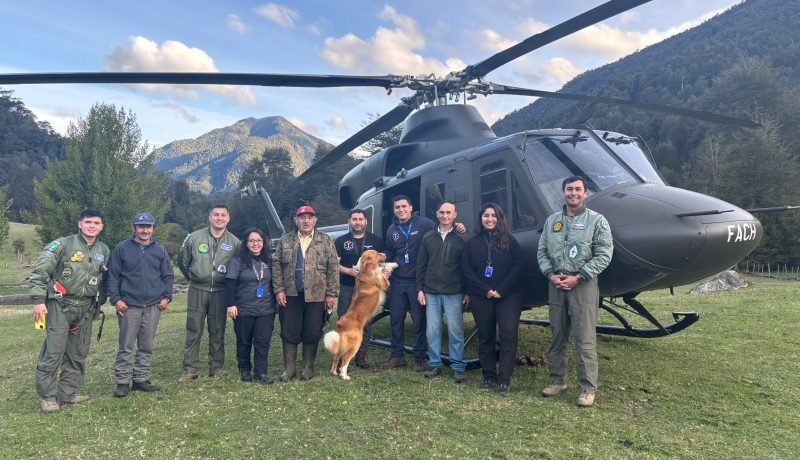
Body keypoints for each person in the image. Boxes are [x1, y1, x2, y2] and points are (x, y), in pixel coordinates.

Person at [537, 175, 613, 407]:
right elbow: (542, 252)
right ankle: (557, 380)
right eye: (569, 189)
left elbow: (604, 254)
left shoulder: (596, 221)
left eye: (578, 190)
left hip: (583, 284)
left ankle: (588, 388)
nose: (573, 193)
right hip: (556, 284)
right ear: (563, 193)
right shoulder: (552, 221)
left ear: (585, 193)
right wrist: (550, 274)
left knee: (585, 339)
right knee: (557, 335)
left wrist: (579, 277)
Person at [30, 209, 110, 413]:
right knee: (54, 352)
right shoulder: (63, 244)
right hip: (59, 304)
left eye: (97, 223)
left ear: (101, 226)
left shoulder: (104, 250)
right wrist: (39, 300)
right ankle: (48, 397)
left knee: (78, 353)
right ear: (79, 224)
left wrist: (97, 305)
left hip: (86, 307)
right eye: (88, 222)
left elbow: (104, 281)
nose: (92, 226)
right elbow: (40, 271)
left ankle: (68, 393)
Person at [462, 203, 524, 397]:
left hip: (508, 296)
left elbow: (519, 265)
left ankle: (504, 379)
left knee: (508, 335)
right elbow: (467, 270)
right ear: (481, 219)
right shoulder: (472, 244)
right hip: (482, 297)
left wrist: (501, 290)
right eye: (486, 215)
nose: (489, 219)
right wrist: (486, 290)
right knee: (485, 336)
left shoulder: (510, 241)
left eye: (493, 216)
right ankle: (488, 376)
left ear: (499, 219)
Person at [109, 212, 174, 398]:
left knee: (147, 345)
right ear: (134, 228)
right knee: (126, 346)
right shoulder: (122, 249)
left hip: (153, 305)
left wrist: (167, 297)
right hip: (129, 306)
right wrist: (116, 299)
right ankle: (122, 382)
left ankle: (140, 379)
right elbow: (113, 276)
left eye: (148, 226)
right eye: (141, 226)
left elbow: (168, 276)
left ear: (153, 229)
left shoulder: (160, 250)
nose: (144, 230)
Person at [272, 205, 339, 382]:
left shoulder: (325, 240)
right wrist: (279, 289)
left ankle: (308, 368)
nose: (306, 221)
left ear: (315, 220)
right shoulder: (285, 240)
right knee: (288, 331)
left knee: (312, 330)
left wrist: (331, 294)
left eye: (309, 217)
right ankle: (290, 369)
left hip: (317, 295)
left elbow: (333, 268)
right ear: (296, 220)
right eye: (302, 218)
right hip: (290, 294)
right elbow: (276, 266)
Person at [176, 204, 240, 381]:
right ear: (209, 217)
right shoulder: (194, 238)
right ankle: (190, 369)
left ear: (228, 218)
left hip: (220, 291)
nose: (220, 218)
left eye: (223, 215)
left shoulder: (235, 242)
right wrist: (194, 276)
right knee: (193, 329)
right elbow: (183, 262)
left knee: (218, 330)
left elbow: (237, 268)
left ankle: (216, 367)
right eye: (216, 215)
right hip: (197, 289)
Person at [381, 195, 437, 371]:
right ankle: (397, 356)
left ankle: (419, 358)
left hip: (417, 282)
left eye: (404, 206)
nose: (401, 210)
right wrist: (383, 266)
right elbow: (390, 254)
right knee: (396, 319)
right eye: (397, 207)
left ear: (411, 207)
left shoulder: (425, 224)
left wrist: (459, 228)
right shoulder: (391, 230)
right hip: (398, 281)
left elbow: (442, 233)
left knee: (419, 320)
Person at [416, 201, 468, 383]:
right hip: (431, 292)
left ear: (455, 215)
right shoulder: (428, 237)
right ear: (437, 214)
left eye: (449, 212)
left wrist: (467, 292)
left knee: (456, 330)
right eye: (442, 212)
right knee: (433, 330)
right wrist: (420, 289)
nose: (445, 215)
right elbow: (421, 265)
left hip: (454, 291)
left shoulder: (462, 238)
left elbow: (467, 268)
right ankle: (434, 364)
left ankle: (458, 367)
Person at [334, 209, 385, 369]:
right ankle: (342, 353)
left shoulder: (375, 240)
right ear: (349, 221)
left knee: (365, 321)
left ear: (366, 222)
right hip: (347, 286)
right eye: (354, 219)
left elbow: (381, 262)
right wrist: (348, 271)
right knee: (345, 318)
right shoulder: (341, 241)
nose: (357, 222)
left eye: (360, 219)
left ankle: (361, 354)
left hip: (367, 289)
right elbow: (335, 263)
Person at [225, 228, 276, 385]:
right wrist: (231, 305)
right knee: (244, 341)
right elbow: (230, 284)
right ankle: (245, 369)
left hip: (265, 310)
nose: (256, 244)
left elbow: (275, 283)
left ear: (263, 243)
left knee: (262, 341)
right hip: (243, 309)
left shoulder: (269, 261)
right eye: (252, 241)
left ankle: (261, 372)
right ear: (246, 244)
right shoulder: (237, 262)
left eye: (259, 240)